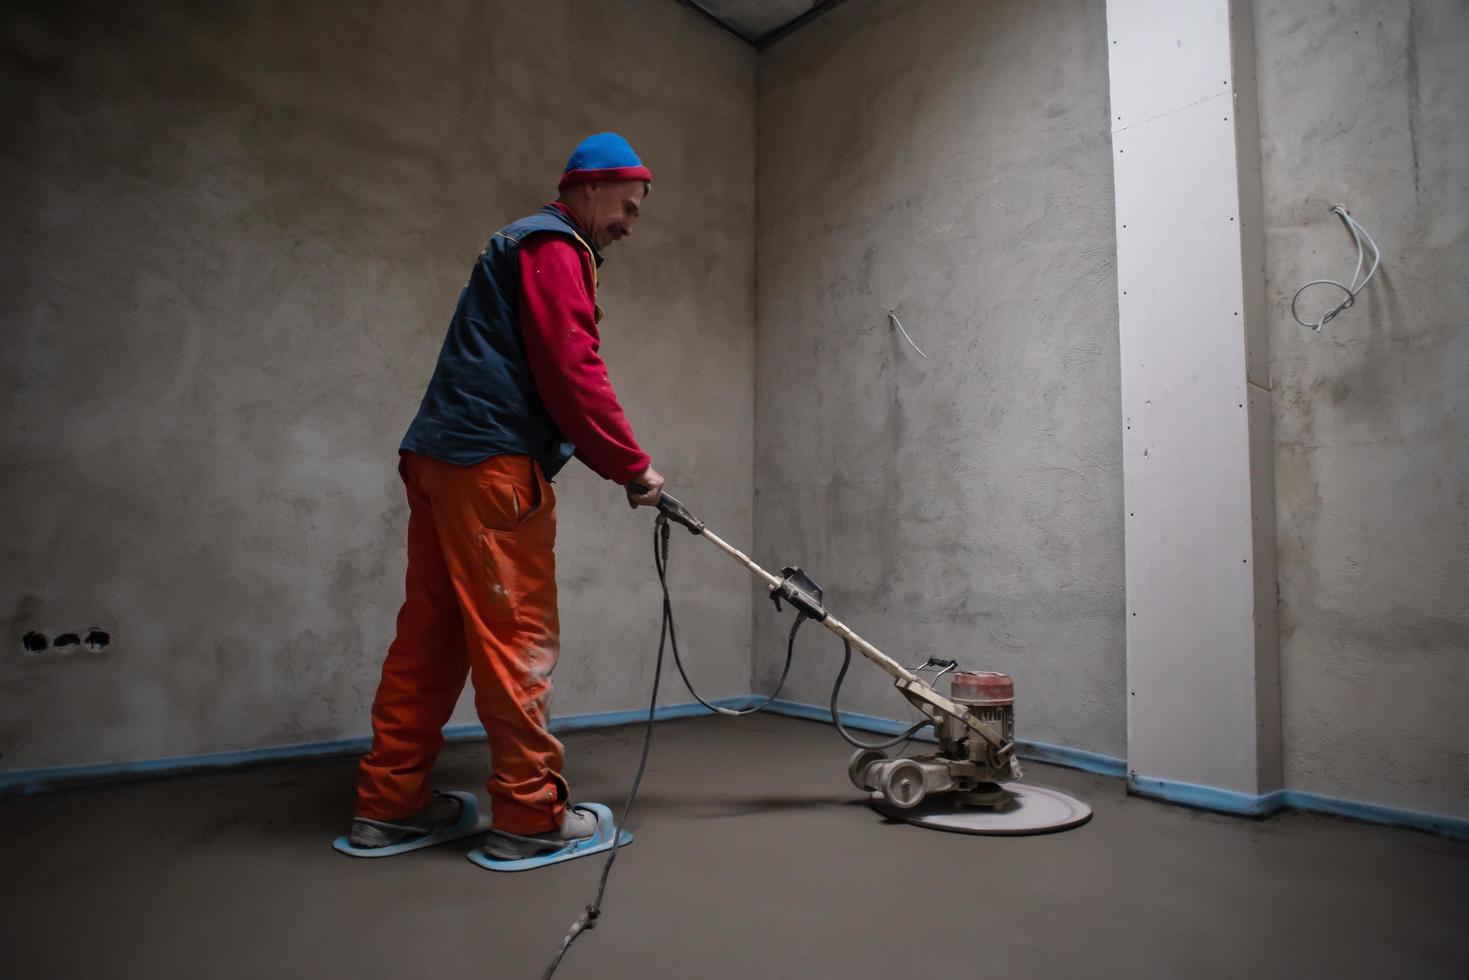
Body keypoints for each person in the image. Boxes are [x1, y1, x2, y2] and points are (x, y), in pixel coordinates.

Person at [348, 133, 665, 860]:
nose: (628, 223)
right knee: (513, 638)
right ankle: (528, 820)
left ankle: (388, 808)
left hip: (438, 459)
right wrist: (632, 467)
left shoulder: (521, 245)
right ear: (590, 187)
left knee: (430, 638)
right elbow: (571, 369)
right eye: (628, 206)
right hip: (490, 467)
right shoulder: (555, 246)